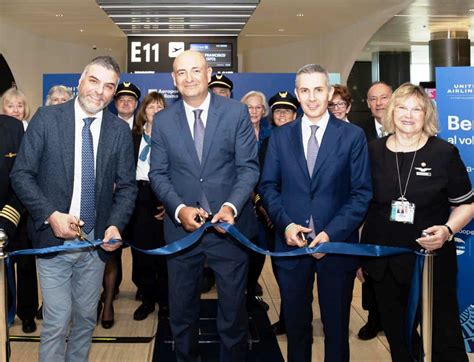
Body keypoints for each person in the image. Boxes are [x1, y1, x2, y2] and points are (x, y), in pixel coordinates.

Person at [11, 55, 137, 362]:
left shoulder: (119, 131)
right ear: (80, 81)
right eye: (94, 81)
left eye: (109, 86)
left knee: (84, 320)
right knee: (56, 321)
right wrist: (51, 215)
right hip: (51, 241)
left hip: (94, 244)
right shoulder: (47, 118)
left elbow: (128, 187)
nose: (100, 92)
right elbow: (21, 174)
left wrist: (115, 225)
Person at [149, 50, 259, 362]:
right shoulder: (164, 120)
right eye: (181, 72)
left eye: (195, 70)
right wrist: (178, 209)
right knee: (182, 312)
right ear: (173, 79)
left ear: (208, 73)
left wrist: (231, 206)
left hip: (229, 229)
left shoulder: (235, 113)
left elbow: (248, 168)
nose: (189, 78)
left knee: (233, 312)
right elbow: (158, 173)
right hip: (182, 231)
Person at [259, 64, 372, 362]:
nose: (312, 98)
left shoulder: (352, 136)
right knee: (297, 328)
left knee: (336, 329)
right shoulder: (280, 137)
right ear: (297, 94)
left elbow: (361, 193)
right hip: (291, 247)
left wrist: (331, 234)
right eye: (305, 91)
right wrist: (285, 225)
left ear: (330, 92)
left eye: (318, 90)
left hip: (336, 246)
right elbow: (268, 186)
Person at [360, 83, 473, 362]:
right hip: (384, 260)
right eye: (402, 107)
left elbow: (466, 204)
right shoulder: (371, 152)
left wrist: (447, 230)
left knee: (443, 333)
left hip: (431, 260)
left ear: (426, 115)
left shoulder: (444, 153)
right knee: (398, 335)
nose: (408, 115)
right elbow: (361, 207)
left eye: (416, 109)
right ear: (391, 112)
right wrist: (361, 257)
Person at [98, 80, 141, 328]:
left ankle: (115, 298)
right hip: (102, 199)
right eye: (121, 99)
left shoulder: (141, 129)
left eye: (130, 99)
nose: (125, 102)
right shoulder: (103, 125)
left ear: (136, 104)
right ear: (115, 103)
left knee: (129, 246)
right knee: (103, 251)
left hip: (131, 197)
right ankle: (106, 296)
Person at [354, 81, 393, 341]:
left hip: (403, 213)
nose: (378, 103)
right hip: (370, 210)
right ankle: (374, 318)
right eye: (373, 99)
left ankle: (401, 322)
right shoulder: (359, 133)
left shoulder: (407, 127)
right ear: (368, 104)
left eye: (383, 98)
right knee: (371, 269)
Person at [259, 90, 299, 336]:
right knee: (283, 271)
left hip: (302, 217)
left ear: (295, 114)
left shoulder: (305, 138)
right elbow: (263, 181)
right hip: (275, 217)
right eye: (278, 111)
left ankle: (295, 317)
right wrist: (268, 210)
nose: (282, 115)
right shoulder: (267, 142)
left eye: (287, 111)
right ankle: (287, 318)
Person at [1, 88, 38, 333]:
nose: (15, 110)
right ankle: (4, 312)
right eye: (10, 105)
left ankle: (27, 314)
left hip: (21, 210)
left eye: (19, 105)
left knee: (25, 266)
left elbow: (27, 174)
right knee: (2, 270)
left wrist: (13, 210)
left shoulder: (26, 131)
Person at [130, 91, 169, 322]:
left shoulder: (173, 137)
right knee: (141, 251)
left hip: (163, 195)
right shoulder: (132, 138)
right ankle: (147, 299)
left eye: (160, 107)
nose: (155, 111)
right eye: (151, 107)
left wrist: (170, 202)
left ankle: (165, 300)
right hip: (138, 195)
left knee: (163, 252)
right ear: (144, 112)